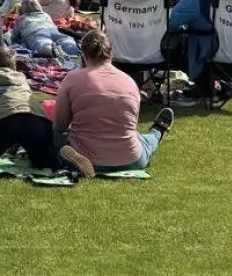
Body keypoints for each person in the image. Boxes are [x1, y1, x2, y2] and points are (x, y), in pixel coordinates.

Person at [53, 32, 175, 179]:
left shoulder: (72, 79)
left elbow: (60, 125)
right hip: (131, 159)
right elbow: (130, 126)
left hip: (86, 154)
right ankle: (158, 131)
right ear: (111, 53)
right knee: (145, 140)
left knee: (55, 138)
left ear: (83, 54)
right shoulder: (129, 82)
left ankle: (73, 160)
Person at [9, 0, 79, 57]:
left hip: (35, 32)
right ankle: (72, 49)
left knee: (42, 44)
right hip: (54, 30)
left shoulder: (22, 18)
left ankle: (50, 50)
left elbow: (14, 36)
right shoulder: (45, 14)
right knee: (67, 41)